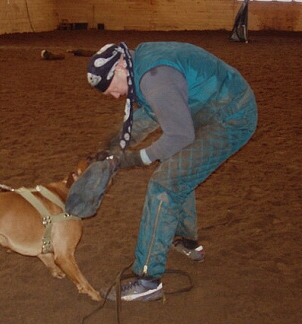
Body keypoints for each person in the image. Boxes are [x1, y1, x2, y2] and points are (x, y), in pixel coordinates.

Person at [85, 42, 257, 301]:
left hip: (230, 118)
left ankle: (147, 280)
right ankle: (186, 240)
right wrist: (111, 146)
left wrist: (136, 158)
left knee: (165, 183)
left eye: (112, 90)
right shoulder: (141, 64)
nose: (116, 96)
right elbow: (151, 114)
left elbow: (179, 134)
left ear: (121, 67)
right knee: (177, 171)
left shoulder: (155, 81)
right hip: (208, 108)